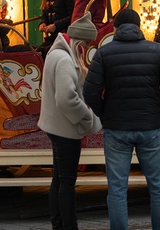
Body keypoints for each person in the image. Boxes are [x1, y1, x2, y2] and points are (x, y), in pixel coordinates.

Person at [83, 9, 160, 230]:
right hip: (150, 125)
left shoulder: (104, 53)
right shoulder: (156, 50)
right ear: (139, 26)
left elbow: (90, 92)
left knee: (117, 189)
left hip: (117, 128)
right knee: (159, 186)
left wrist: (105, 113)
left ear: (116, 28)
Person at [37, 12, 102, 230]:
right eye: (85, 42)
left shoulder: (58, 54)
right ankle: (69, 226)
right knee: (67, 182)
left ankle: (58, 224)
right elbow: (66, 98)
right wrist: (88, 118)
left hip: (56, 125)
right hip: (64, 128)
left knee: (59, 179)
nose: (85, 47)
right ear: (78, 40)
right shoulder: (64, 59)